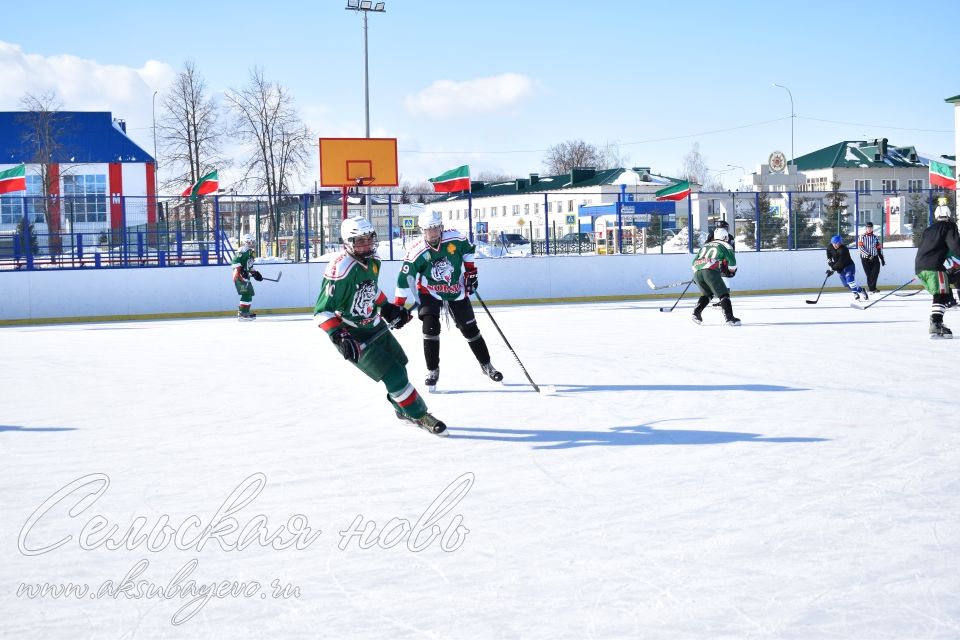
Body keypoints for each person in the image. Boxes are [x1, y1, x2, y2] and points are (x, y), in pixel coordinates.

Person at [314, 217, 447, 435]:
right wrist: (340, 336)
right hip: (351, 333)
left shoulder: (374, 259)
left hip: (374, 325)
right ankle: (419, 414)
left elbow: (371, 289)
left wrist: (387, 308)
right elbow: (322, 311)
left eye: (369, 239)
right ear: (347, 242)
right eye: (360, 241)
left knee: (400, 364)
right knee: (393, 374)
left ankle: (401, 409)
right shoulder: (340, 269)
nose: (366, 245)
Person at [394, 210, 502, 391]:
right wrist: (398, 306)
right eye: (429, 230)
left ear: (441, 227)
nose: (434, 233)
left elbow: (468, 250)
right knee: (430, 326)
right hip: (430, 291)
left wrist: (470, 272)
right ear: (422, 231)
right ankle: (432, 370)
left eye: (436, 228)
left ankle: (486, 365)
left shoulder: (456, 238)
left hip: (456, 290)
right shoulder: (416, 251)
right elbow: (404, 279)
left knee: (470, 329)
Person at [914, 199, 960, 339]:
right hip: (934, 267)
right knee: (940, 294)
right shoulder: (949, 227)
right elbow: (955, 246)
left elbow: (931, 248)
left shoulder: (929, 229)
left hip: (920, 267)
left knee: (944, 294)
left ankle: (936, 320)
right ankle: (936, 324)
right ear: (949, 215)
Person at [690, 226, 740, 326]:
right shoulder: (725, 245)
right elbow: (732, 262)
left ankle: (696, 313)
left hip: (697, 271)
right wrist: (731, 270)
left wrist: (697, 274)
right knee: (724, 294)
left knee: (707, 294)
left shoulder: (705, 245)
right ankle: (729, 318)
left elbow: (693, 262)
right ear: (725, 237)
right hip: (710, 271)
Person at [826, 235, 867, 301]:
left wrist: (833, 269)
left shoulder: (844, 249)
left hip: (848, 266)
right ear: (832, 243)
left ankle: (855, 293)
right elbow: (829, 258)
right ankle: (861, 290)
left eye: (838, 243)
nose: (836, 245)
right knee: (846, 285)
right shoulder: (829, 248)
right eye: (835, 243)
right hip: (839, 269)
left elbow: (840, 263)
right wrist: (830, 267)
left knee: (850, 280)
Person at [232, 233, 263, 321]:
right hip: (239, 275)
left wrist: (256, 273)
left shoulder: (250, 252)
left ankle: (245, 312)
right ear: (247, 241)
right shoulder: (242, 250)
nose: (253, 243)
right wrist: (241, 271)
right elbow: (235, 262)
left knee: (249, 294)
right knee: (246, 294)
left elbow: (249, 266)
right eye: (251, 241)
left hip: (245, 276)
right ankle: (242, 313)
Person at [857, 222, 885, 293]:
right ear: (866, 228)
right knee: (869, 274)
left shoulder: (875, 237)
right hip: (865, 258)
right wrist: (868, 256)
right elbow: (860, 248)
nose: (869, 229)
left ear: (872, 228)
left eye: (871, 228)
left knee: (875, 272)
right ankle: (872, 288)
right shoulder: (862, 236)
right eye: (868, 228)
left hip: (875, 257)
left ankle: (872, 288)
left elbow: (878, 248)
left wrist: (881, 258)